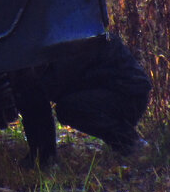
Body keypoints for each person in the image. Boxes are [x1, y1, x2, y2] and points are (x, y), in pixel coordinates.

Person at [12, 32, 151, 167]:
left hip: (127, 95)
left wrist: (28, 80)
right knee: (36, 90)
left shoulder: (77, 39)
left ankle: (132, 144)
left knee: (67, 108)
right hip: (122, 91)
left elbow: (53, 85)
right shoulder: (77, 30)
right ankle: (42, 157)